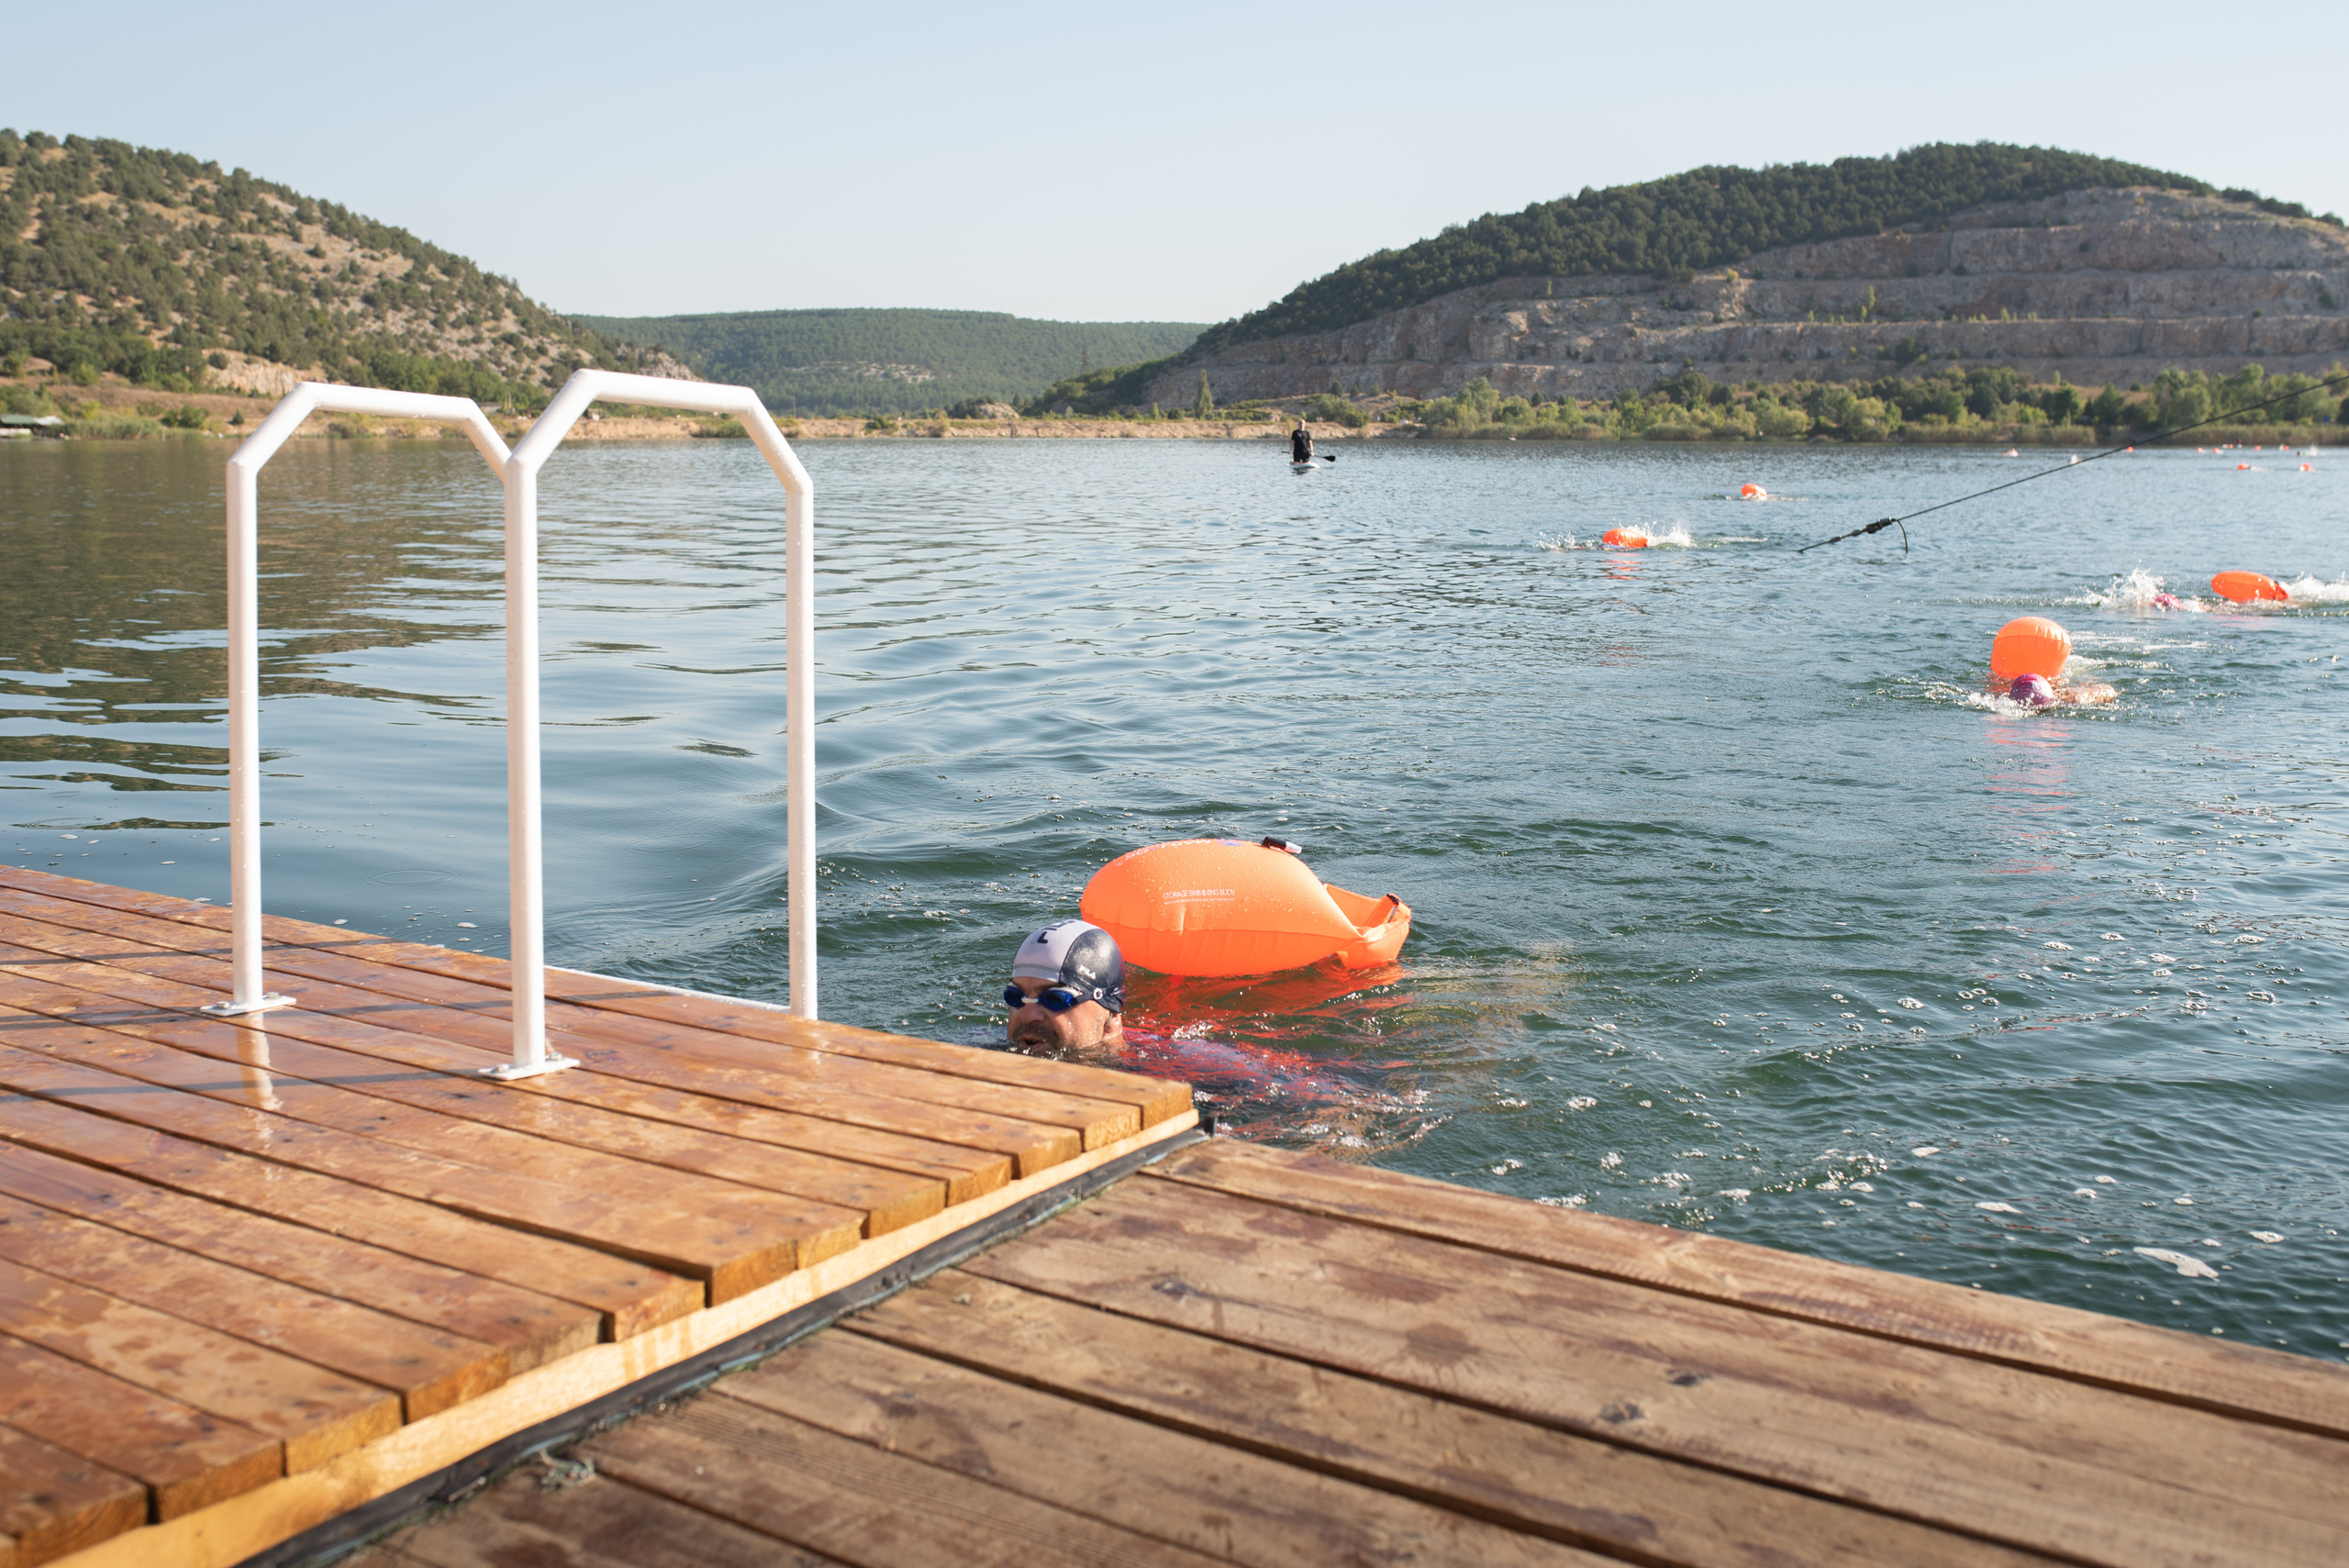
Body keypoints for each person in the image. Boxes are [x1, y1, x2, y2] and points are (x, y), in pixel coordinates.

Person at [1003, 918, 1125, 1054]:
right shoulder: (984, 1050)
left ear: (1109, 1021)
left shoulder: (1140, 1064)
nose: (1028, 1015)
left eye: (1055, 999)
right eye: (1015, 996)